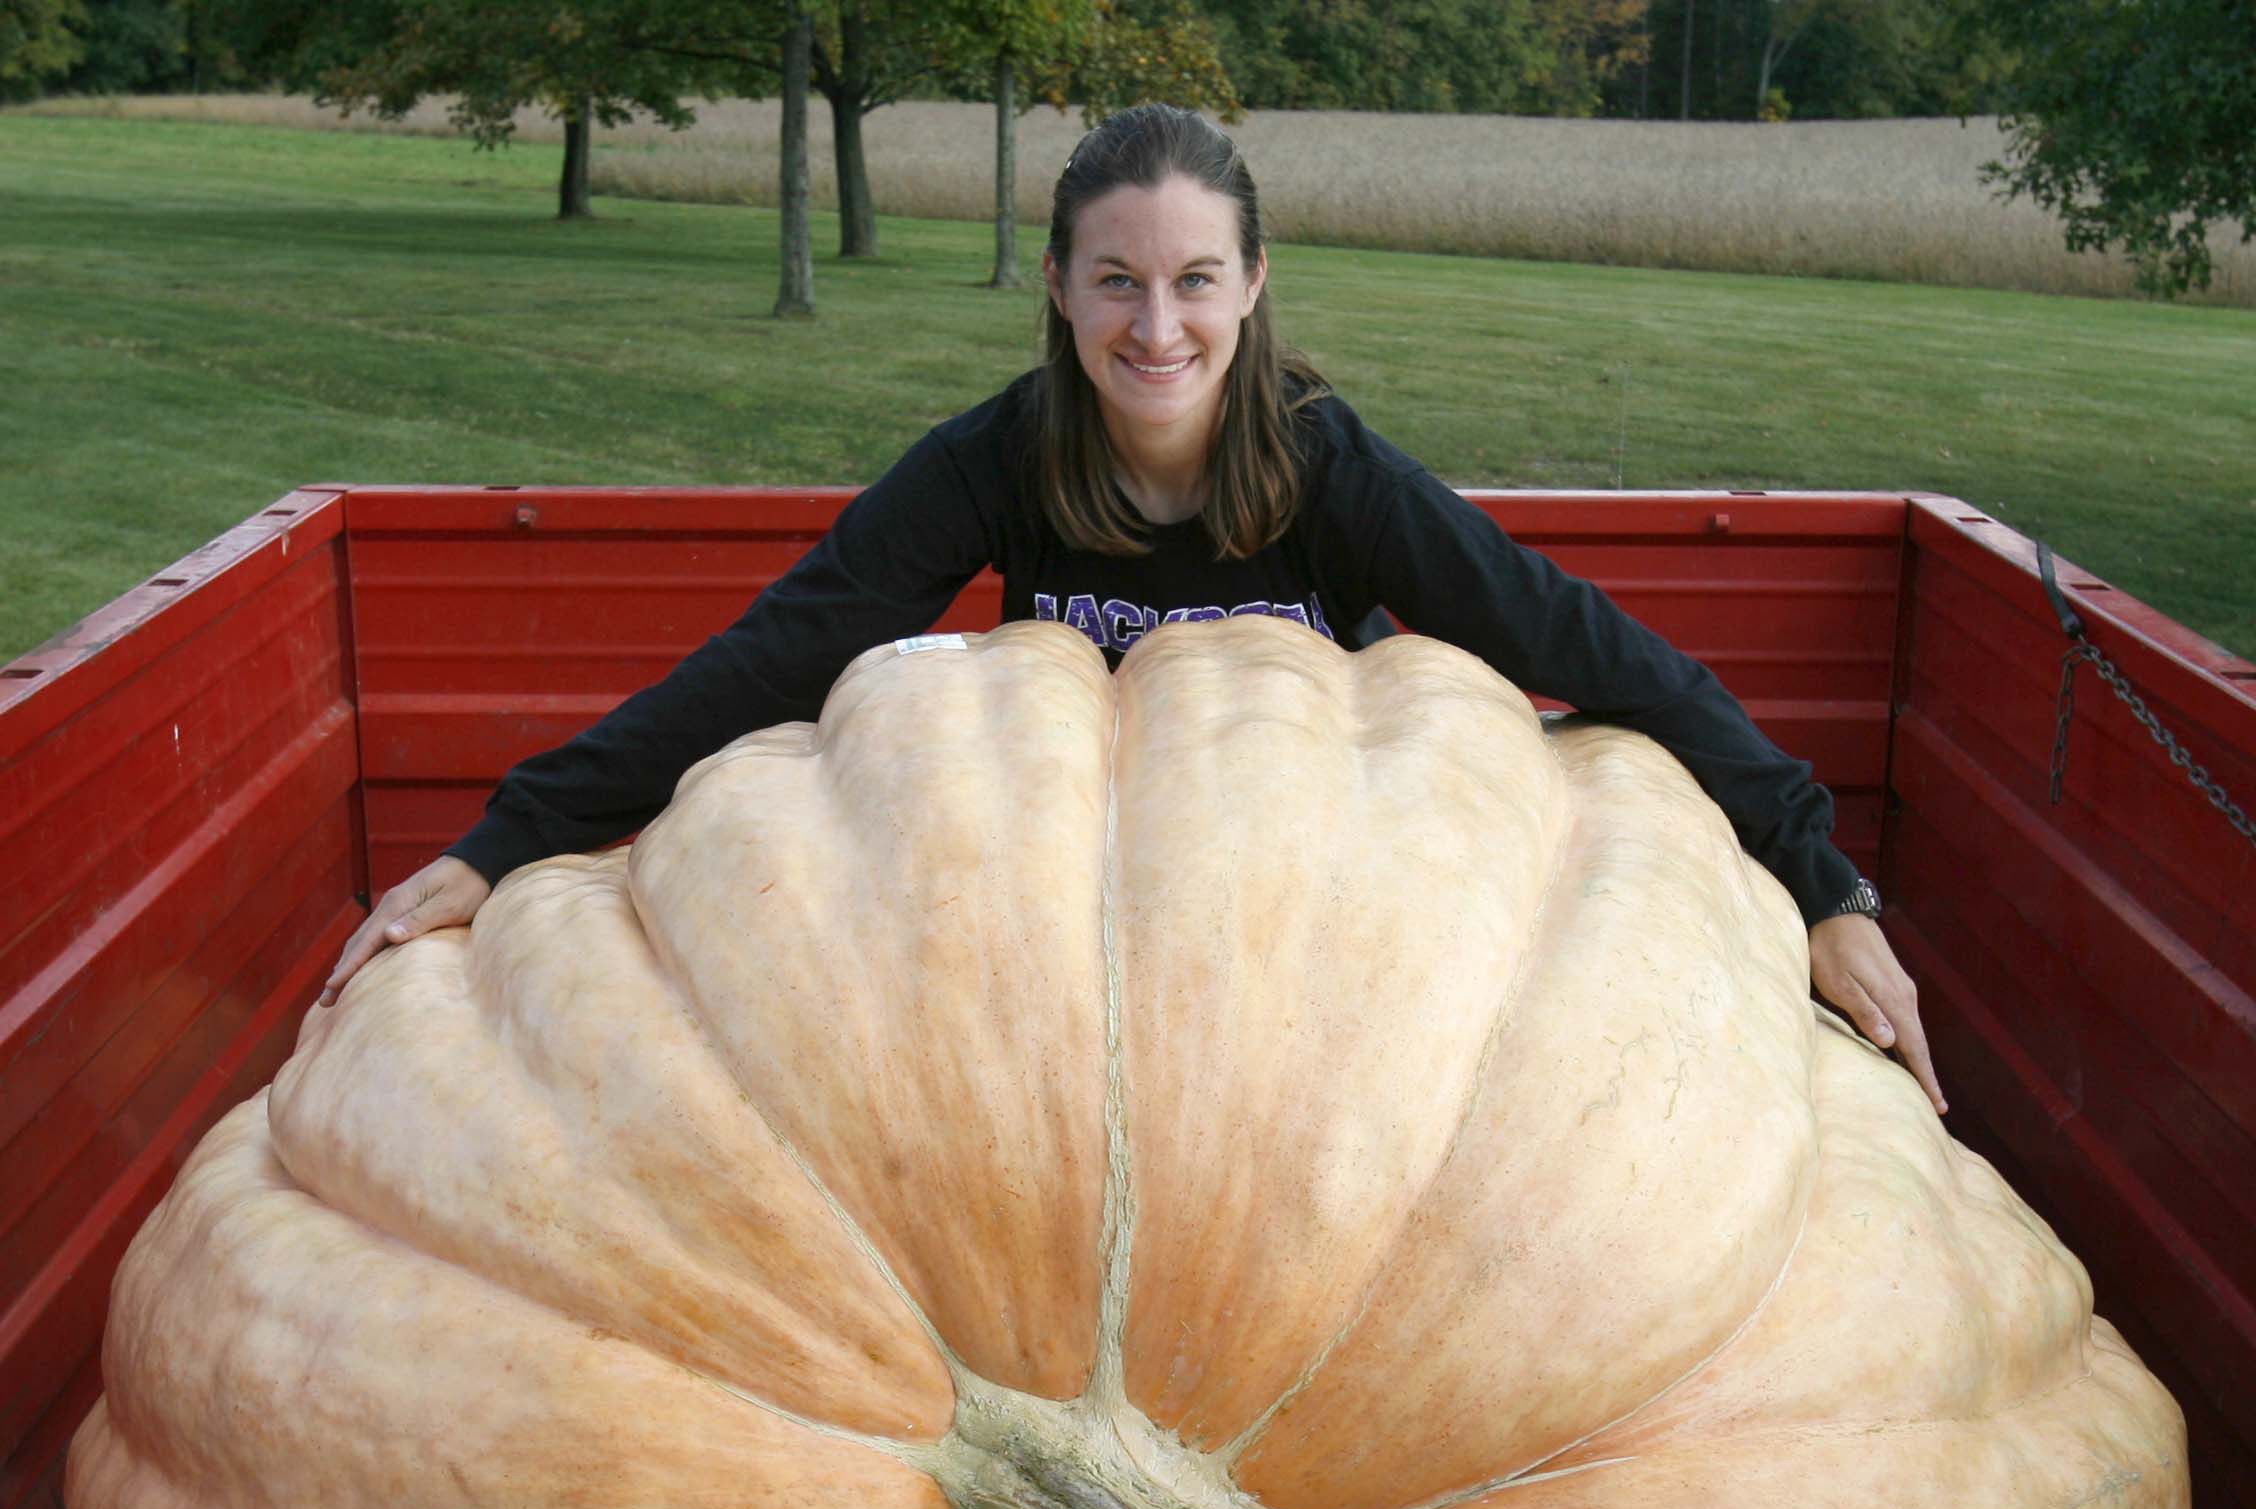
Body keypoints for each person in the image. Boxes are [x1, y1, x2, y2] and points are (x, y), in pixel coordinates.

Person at [321, 103, 1941, 1113]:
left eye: (1190, 280)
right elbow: (788, 646)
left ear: (1249, 285)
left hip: (1308, 953)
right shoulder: (1000, 459)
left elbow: (1583, 649)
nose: (1154, 322)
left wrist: (1817, 874)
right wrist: (504, 840)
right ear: (1056, 284)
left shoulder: (1327, 470)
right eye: (1116, 278)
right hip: (1080, 948)